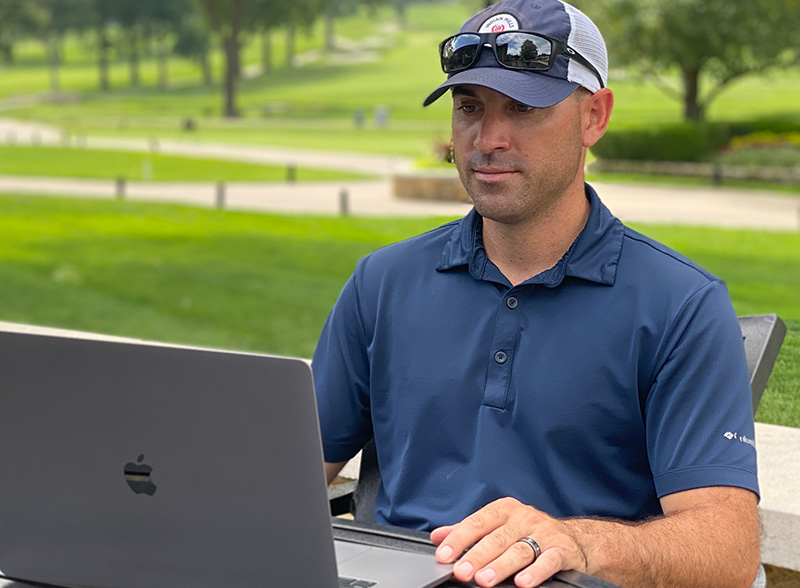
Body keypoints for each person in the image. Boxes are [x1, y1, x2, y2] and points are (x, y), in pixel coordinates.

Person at [312, 0, 761, 586]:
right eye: (469, 108)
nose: (487, 139)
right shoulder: (382, 282)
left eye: (523, 108)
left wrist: (574, 540)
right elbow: (284, 477)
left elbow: (727, 550)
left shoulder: (681, 306)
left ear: (593, 117)